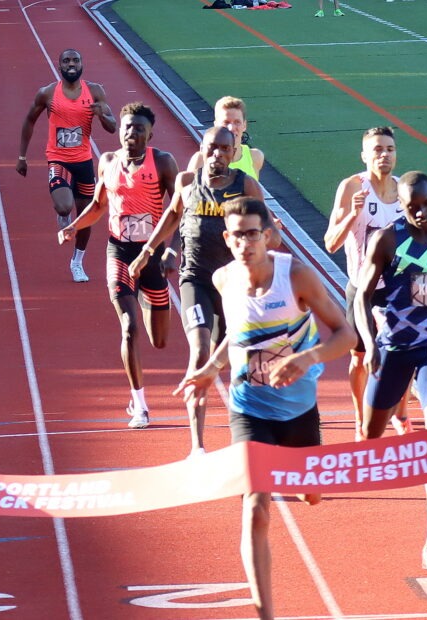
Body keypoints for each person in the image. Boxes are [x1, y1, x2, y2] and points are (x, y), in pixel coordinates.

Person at [175, 197, 355, 620]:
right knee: (255, 506)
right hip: (248, 408)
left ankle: (309, 467)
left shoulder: (296, 276)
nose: (245, 243)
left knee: (311, 495)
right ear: (227, 239)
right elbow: (238, 336)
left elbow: (347, 334)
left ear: (268, 235)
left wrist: (307, 359)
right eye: (236, 235)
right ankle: (265, 614)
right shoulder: (223, 280)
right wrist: (210, 369)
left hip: (298, 410)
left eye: (252, 234)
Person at [129, 126, 268, 456]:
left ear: (234, 153)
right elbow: (173, 214)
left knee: (240, 360)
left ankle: (247, 441)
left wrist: (268, 255)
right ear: (202, 149)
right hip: (196, 279)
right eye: (212, 148)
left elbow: (267, 227)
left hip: (234, 282)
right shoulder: (187, 182)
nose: (218, 154)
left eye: (225, 148)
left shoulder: (245, 185)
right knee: (200, 351)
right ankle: (197, 447)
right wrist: (149, 250)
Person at [356, 171, 427, 573]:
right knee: (371, 434)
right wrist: (369, 345)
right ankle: (392, 406)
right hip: (393, 347)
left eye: (426, 202)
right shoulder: (387, 239)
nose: (420, 211)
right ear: (400, 206)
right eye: (410, 205)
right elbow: (362, 298)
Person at [59, 102, 178, 430]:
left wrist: (170, 251)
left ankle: (143, 295)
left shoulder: (164, 162)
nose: (131, 133)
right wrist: (74, 226)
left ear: (149, 133)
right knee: (129, 326)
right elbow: (98, 205)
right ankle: (139, 404)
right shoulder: (108, 163)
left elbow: (179, 209)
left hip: (151, 255)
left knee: (159, 340)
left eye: (139, 128)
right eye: (127, 127)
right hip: (120, 253)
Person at [324, 127, 410, 441]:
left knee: (405, 352)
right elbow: (330, 243)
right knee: (359, 356)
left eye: (389, 149)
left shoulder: (405, 190)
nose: (384, 155)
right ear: (364, 155)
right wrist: (353, 215)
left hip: (399, 287)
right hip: (362, 288)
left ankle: (401, 412)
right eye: (377, 149)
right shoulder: (352, 187)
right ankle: (361, 420)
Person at [18, 48, 117, 283]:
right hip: (58, 158)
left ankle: (77, 262)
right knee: (64, 207)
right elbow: (29, 120)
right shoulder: (48, 93)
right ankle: (62, 216)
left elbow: (113, 127)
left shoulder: (94, 91)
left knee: (85, 217)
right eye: (66, 61)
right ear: (59, 65)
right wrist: (22, 157)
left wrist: (102, 115)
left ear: (82, 64)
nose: (71, 64)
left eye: (75, 60)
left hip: (83, 160)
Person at [187, 96, 265, 181]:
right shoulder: (201, 159)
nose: (231, 128)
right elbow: (187, 192)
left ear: (244, 125)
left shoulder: (255, 157)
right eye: (226, 122)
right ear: (216, 125)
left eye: (237, 122)